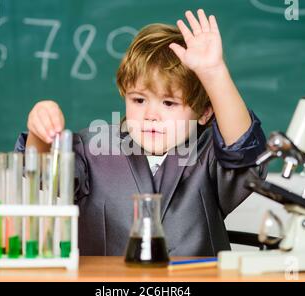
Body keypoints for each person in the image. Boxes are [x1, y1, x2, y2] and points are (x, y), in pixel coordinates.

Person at [15, 9, 267, 256]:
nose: (150, 115)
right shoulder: (93, 149)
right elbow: (42, 174)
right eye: (138, 100)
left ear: (204, 112)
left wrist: (214, 74)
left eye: (168, 103)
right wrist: (39, 131)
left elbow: (243, 151)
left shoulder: (208, 157)